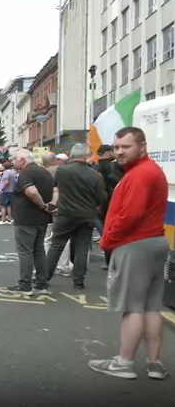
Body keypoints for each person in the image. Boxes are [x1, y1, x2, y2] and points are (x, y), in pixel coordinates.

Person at [89, 127, 170, 380]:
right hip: (155, 241)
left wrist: (108, 239)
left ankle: (123, 363)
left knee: (132, 307)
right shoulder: (151, 171)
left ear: (142, 147)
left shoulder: (139, 175)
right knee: (151, 307)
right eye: (117, 147)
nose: (120, 151)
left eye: (126, 146)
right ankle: (154, 364)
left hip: (135, 244)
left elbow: (130, 215)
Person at [44, 143, 105, 290]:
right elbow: (101, 198)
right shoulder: (95, 175)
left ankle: (44, 278)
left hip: (66, 214)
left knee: (57, 245)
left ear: (72, 155)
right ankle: (78, 280)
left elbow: (56, 187)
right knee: (82, 247)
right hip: (87, 216)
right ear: (87, 155)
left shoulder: (62, 171)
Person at [5, 149, 55, 296]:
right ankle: (42, 284)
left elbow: (31, 192)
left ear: (22, 160)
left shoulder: (26, 173)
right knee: (39, 250)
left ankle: (25, 285)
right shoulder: (44, 172)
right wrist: (50, 206)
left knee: (25, 251)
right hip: (42, 219)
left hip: (26, 217)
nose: (13, 162)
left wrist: (42, 205)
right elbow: (55, 190)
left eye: (15, 159)